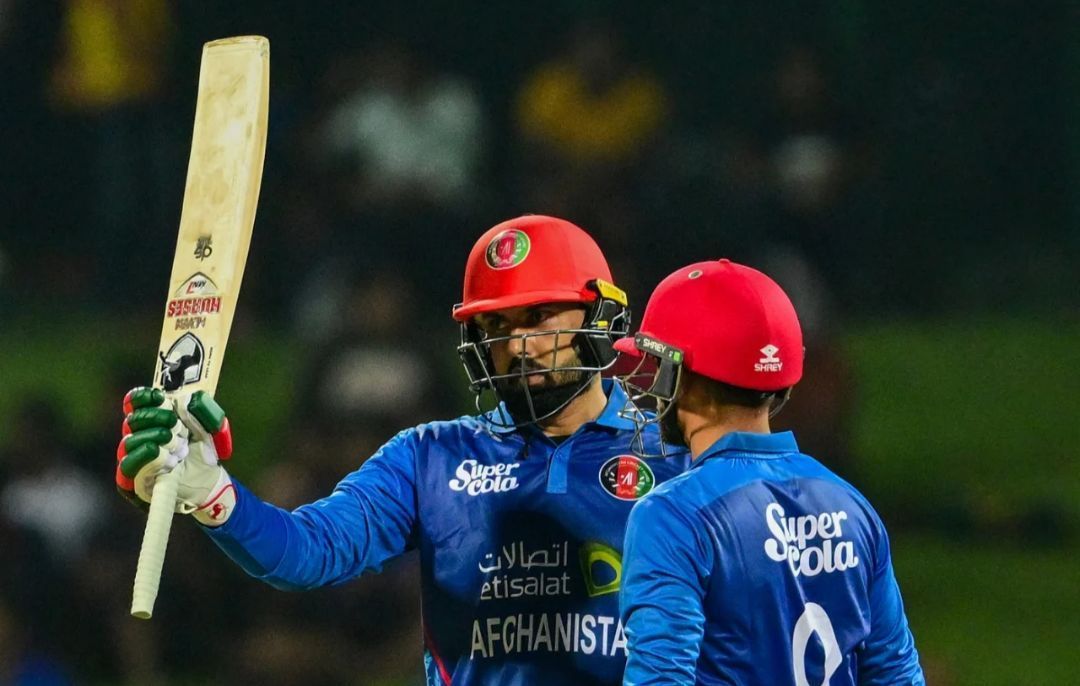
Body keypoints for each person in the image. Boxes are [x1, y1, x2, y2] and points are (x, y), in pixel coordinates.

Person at [113, 214, 690, 686]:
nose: (520, 344)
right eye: (497, 325)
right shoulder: (430, 457)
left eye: (540, 316)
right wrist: (215, 497)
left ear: (598, 316)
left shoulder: (675, 455)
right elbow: (309, 552)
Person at [613, 258, 924, 685]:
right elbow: (897, 675)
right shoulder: (851, 505)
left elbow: (660, 679)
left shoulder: (673, 516)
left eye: (656, 367)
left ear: (680, 374)